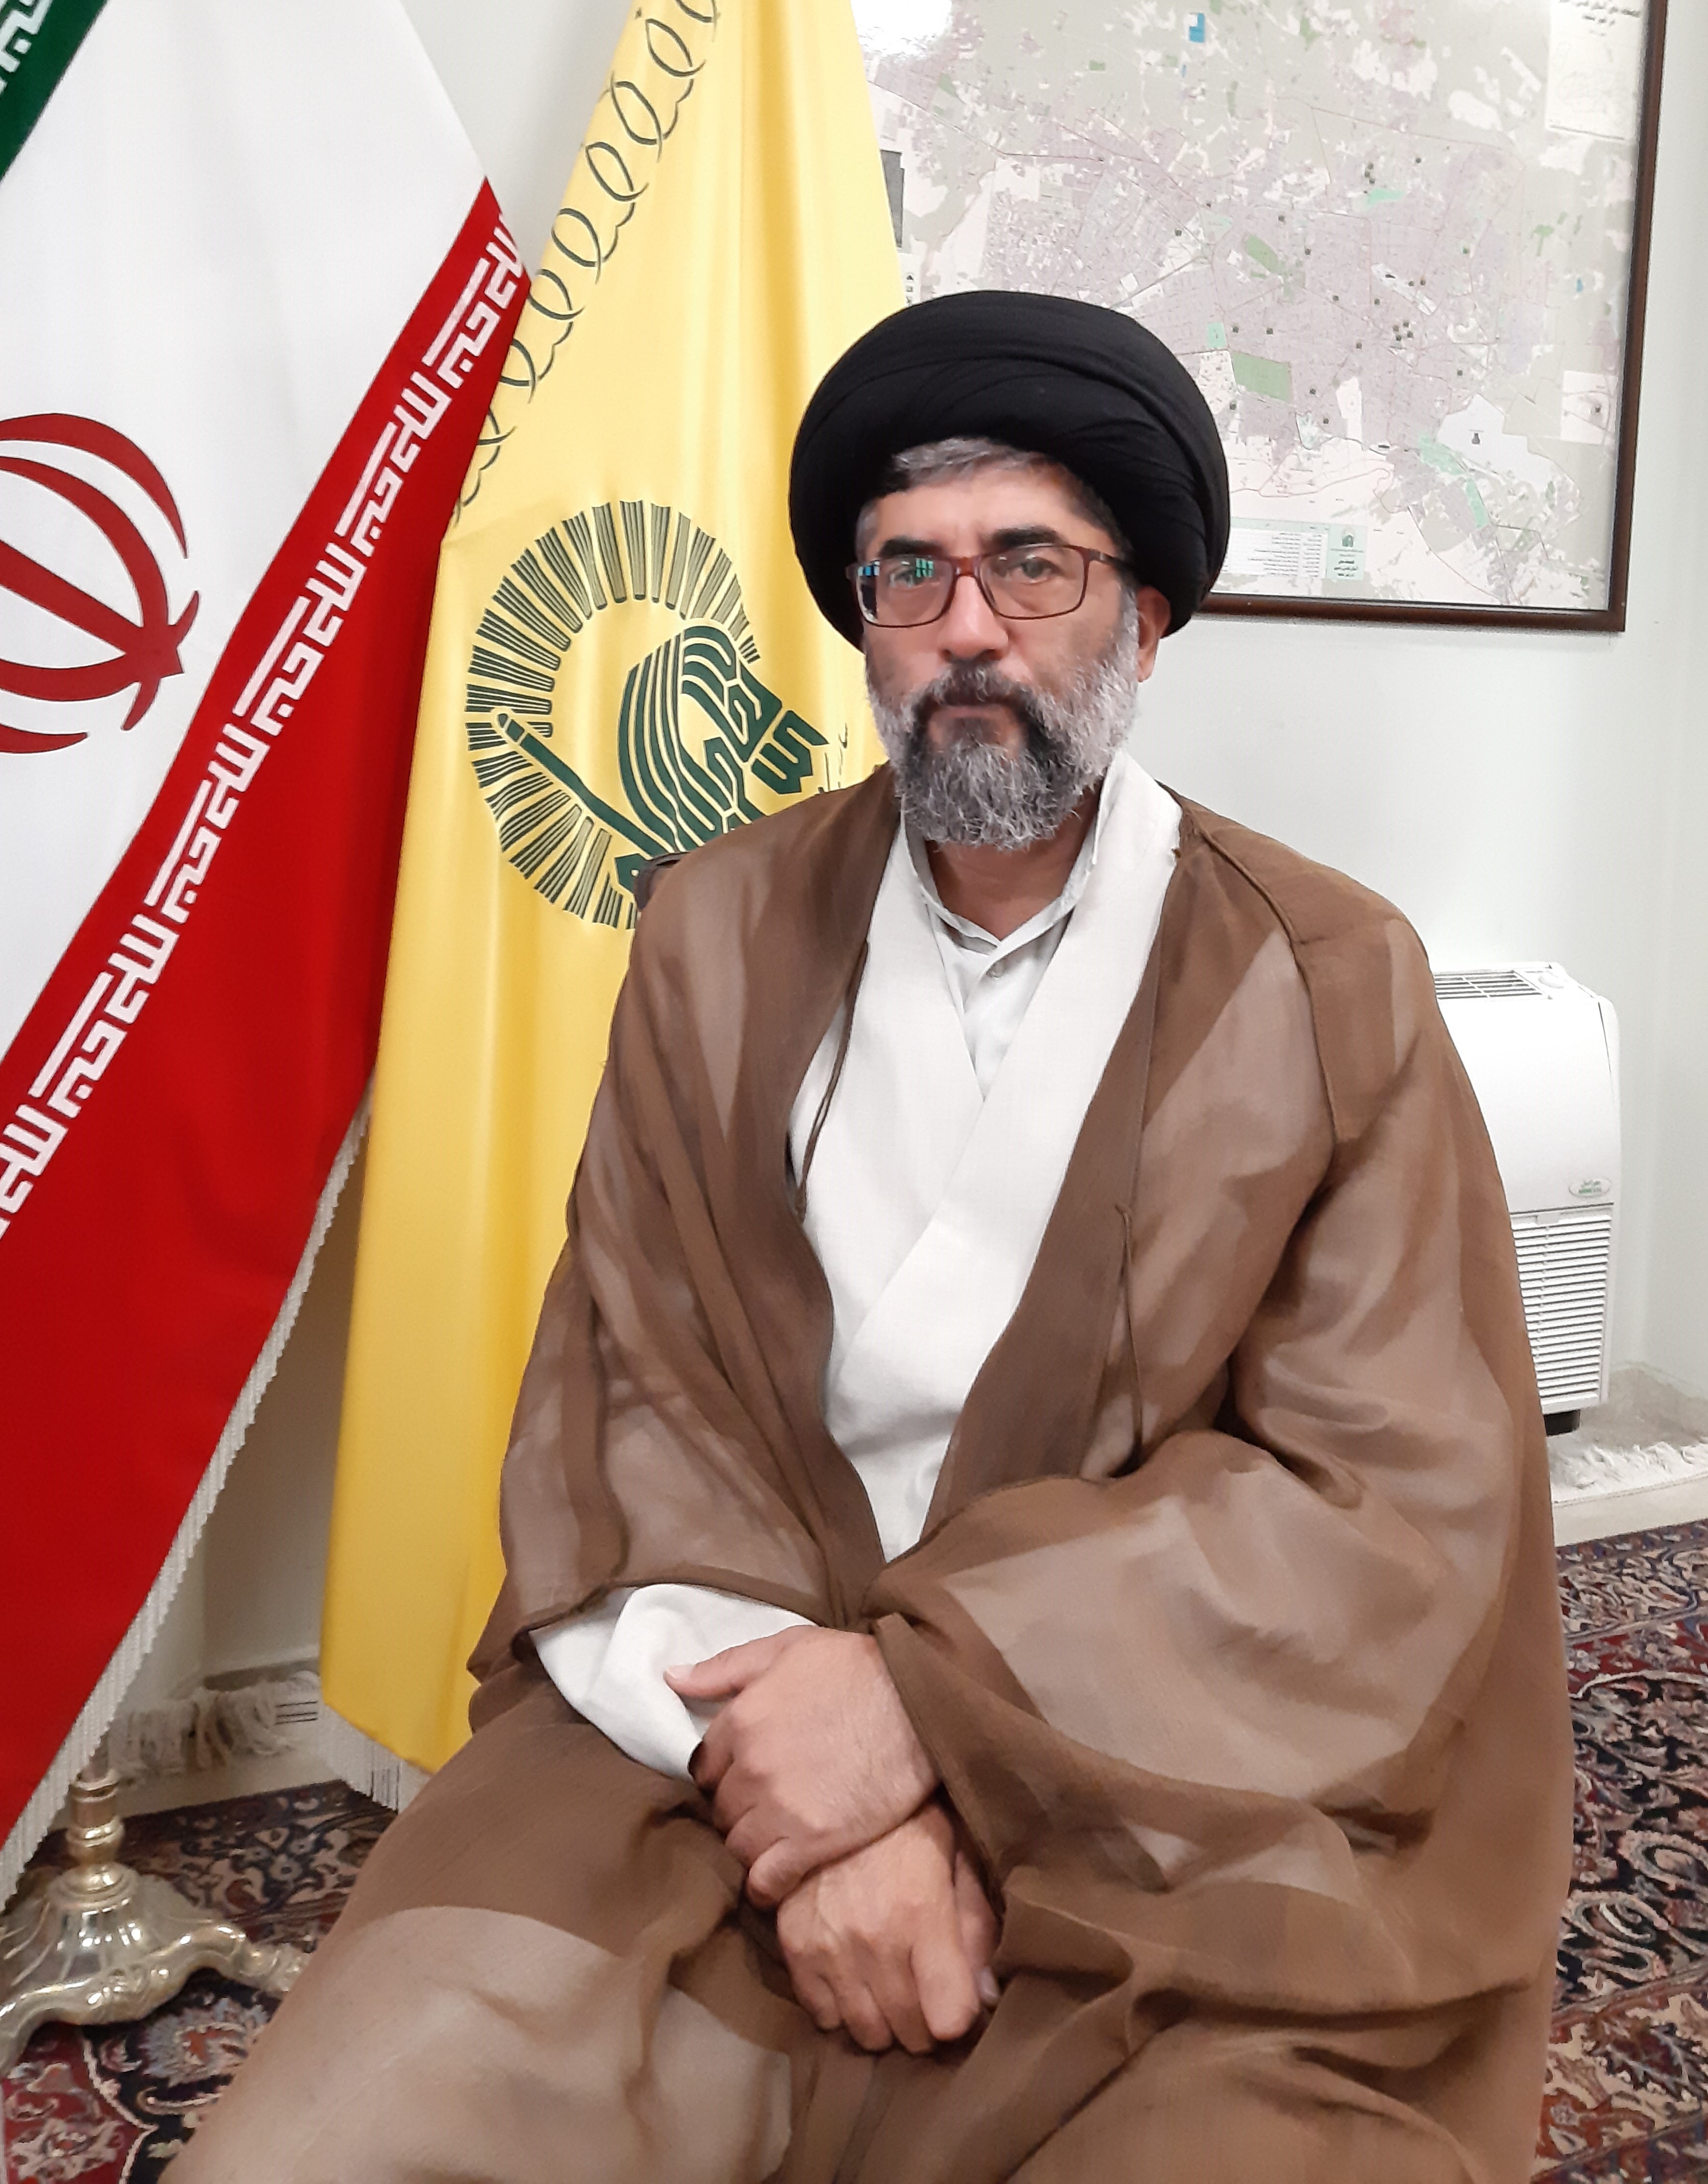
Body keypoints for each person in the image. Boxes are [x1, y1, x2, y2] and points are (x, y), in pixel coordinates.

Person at [175, 291, 1571, 2184]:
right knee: (344, 2133)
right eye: (910, 572)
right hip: (724, 1719)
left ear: (1149, 616)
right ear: (864, 621)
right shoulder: (715, 929)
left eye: (1033, 565)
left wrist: (923, 1702)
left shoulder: (1331, 979)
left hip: (1171, 1777)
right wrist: (820, 1801)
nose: (967, 627)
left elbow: (1383, 1507)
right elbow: (639, 1389)